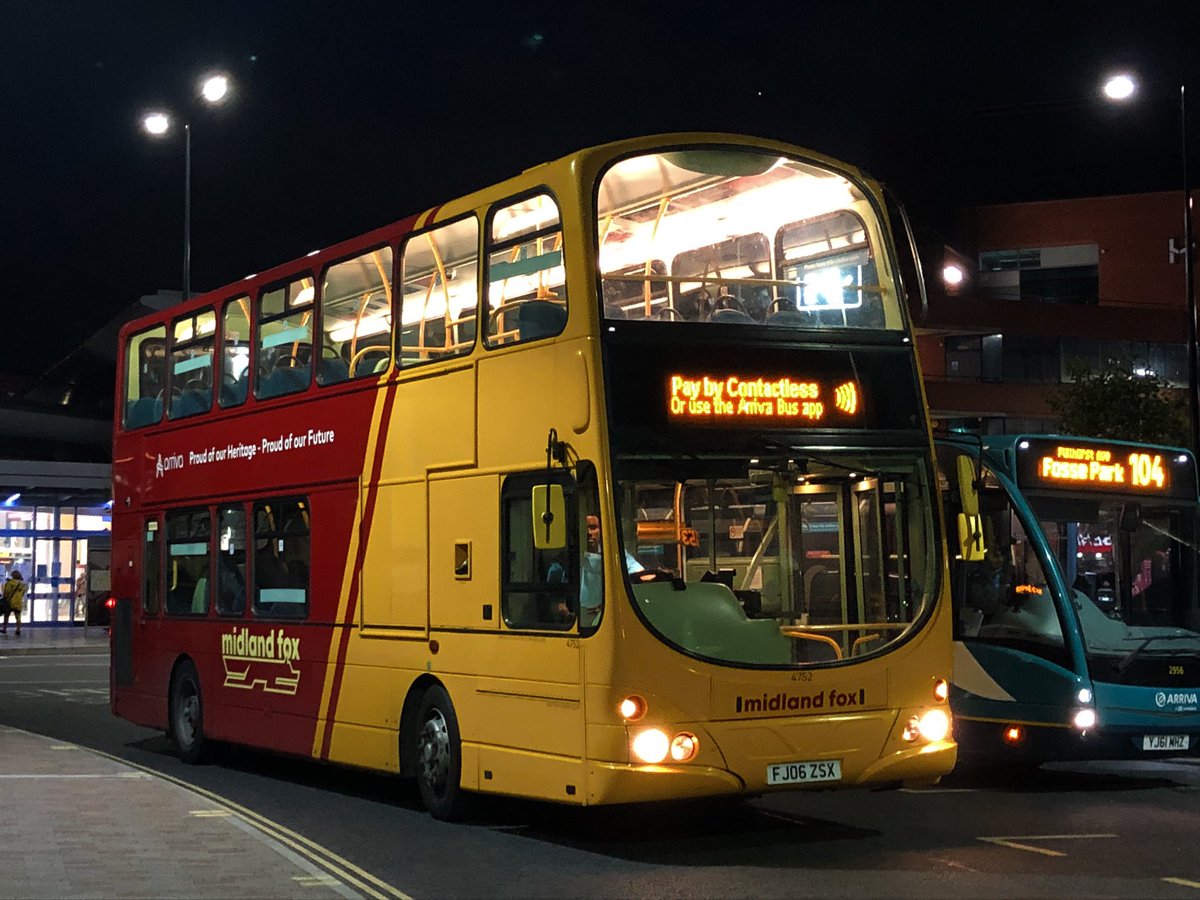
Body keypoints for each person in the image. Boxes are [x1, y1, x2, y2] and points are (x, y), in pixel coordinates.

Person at [2, 570, 27, 636]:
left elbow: (6, 592)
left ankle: (4, 629)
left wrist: (5, 598)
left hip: (9, 602)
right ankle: (18, 630)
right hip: (18, 602)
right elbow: (23, 593)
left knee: (6, 616)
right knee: (18, 617)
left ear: (12, 576)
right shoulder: (22, 585)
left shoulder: (9, 583)